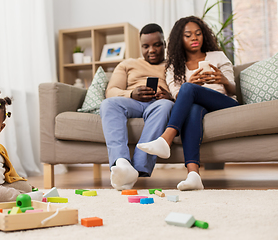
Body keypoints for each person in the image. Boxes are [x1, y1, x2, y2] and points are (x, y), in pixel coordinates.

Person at [137, 16, 239, 191]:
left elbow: (233, 90)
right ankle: (193, 175)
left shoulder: (217, 56)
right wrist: (192, 83)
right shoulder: (173, 67)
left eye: (198, 34)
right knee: (192, 107)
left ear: (203, 35)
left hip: (224, 103)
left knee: (188, 88)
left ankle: (166, 139)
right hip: (199, 107)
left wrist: (223, 80)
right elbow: (178, 96)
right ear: (180, 39)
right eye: (188, 35)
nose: (194, 38)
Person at [100, 23, 174, 191]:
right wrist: (131, 94)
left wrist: (170, 96)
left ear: (164, 44)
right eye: (146, 46)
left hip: (158, 103)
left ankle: (138, 168)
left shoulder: (173, 65)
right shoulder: (127, 64)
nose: (152, 50)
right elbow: (111, 91)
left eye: (157, 45)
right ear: (141, 47)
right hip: (131, 102)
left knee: (166, 106)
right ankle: (122, 163)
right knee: (108, 104)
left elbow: (181, 91)